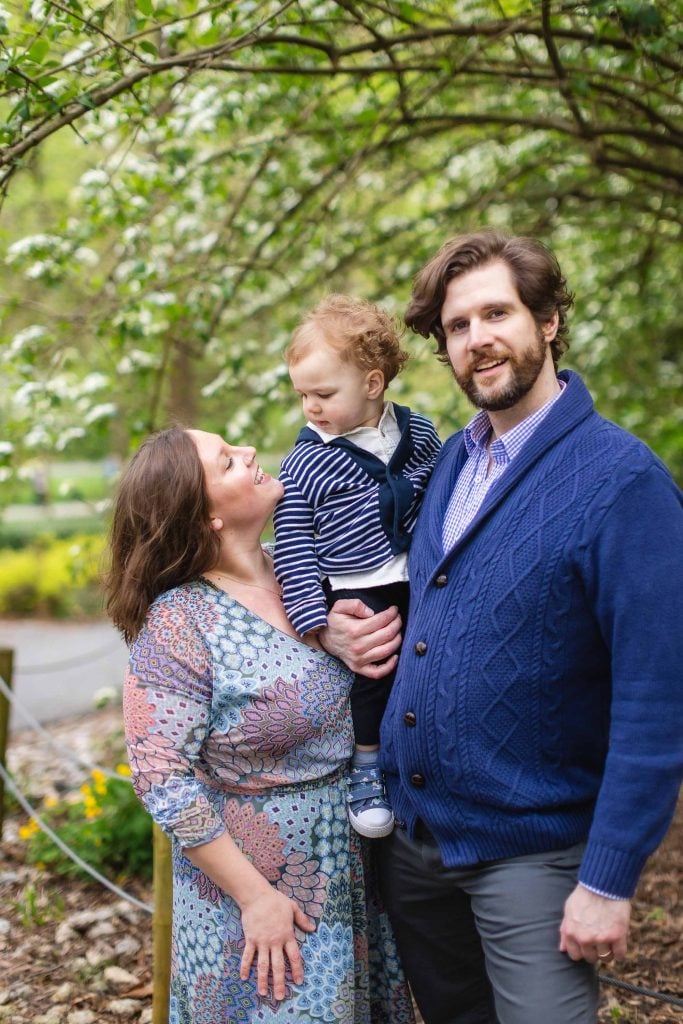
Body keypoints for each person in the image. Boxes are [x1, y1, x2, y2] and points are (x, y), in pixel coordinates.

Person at [324, 230, 683, 1024]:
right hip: (416, 850)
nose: (476, 339)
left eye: (497, 313)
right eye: (456, 325)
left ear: (547, 320)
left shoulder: (623, 483)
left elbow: (657, 700)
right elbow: (418, 608)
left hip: (532, 856)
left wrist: (607, 880)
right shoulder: (449, 461)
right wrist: (335, 633)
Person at [105, 425, 416, 1024]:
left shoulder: (307, 576)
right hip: (256, 894)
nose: (249, 452)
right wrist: (254, 898)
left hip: (349, 864)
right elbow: (160, 779)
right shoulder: (180, 622)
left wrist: (337, 635)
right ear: (207, 517)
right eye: (226, 462)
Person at [273, 294, 441, 839]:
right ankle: (366, 769)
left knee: (426, 669)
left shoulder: (417, 433)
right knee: (371, 677)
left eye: (323, 394)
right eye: (302, 395)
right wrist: (313, 618)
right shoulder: (307, 459)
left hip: (420, 576)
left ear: (372, 384)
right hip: (356, 586)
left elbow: (442, 490)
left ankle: (419, 765)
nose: (310, 408)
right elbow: (294, 542)